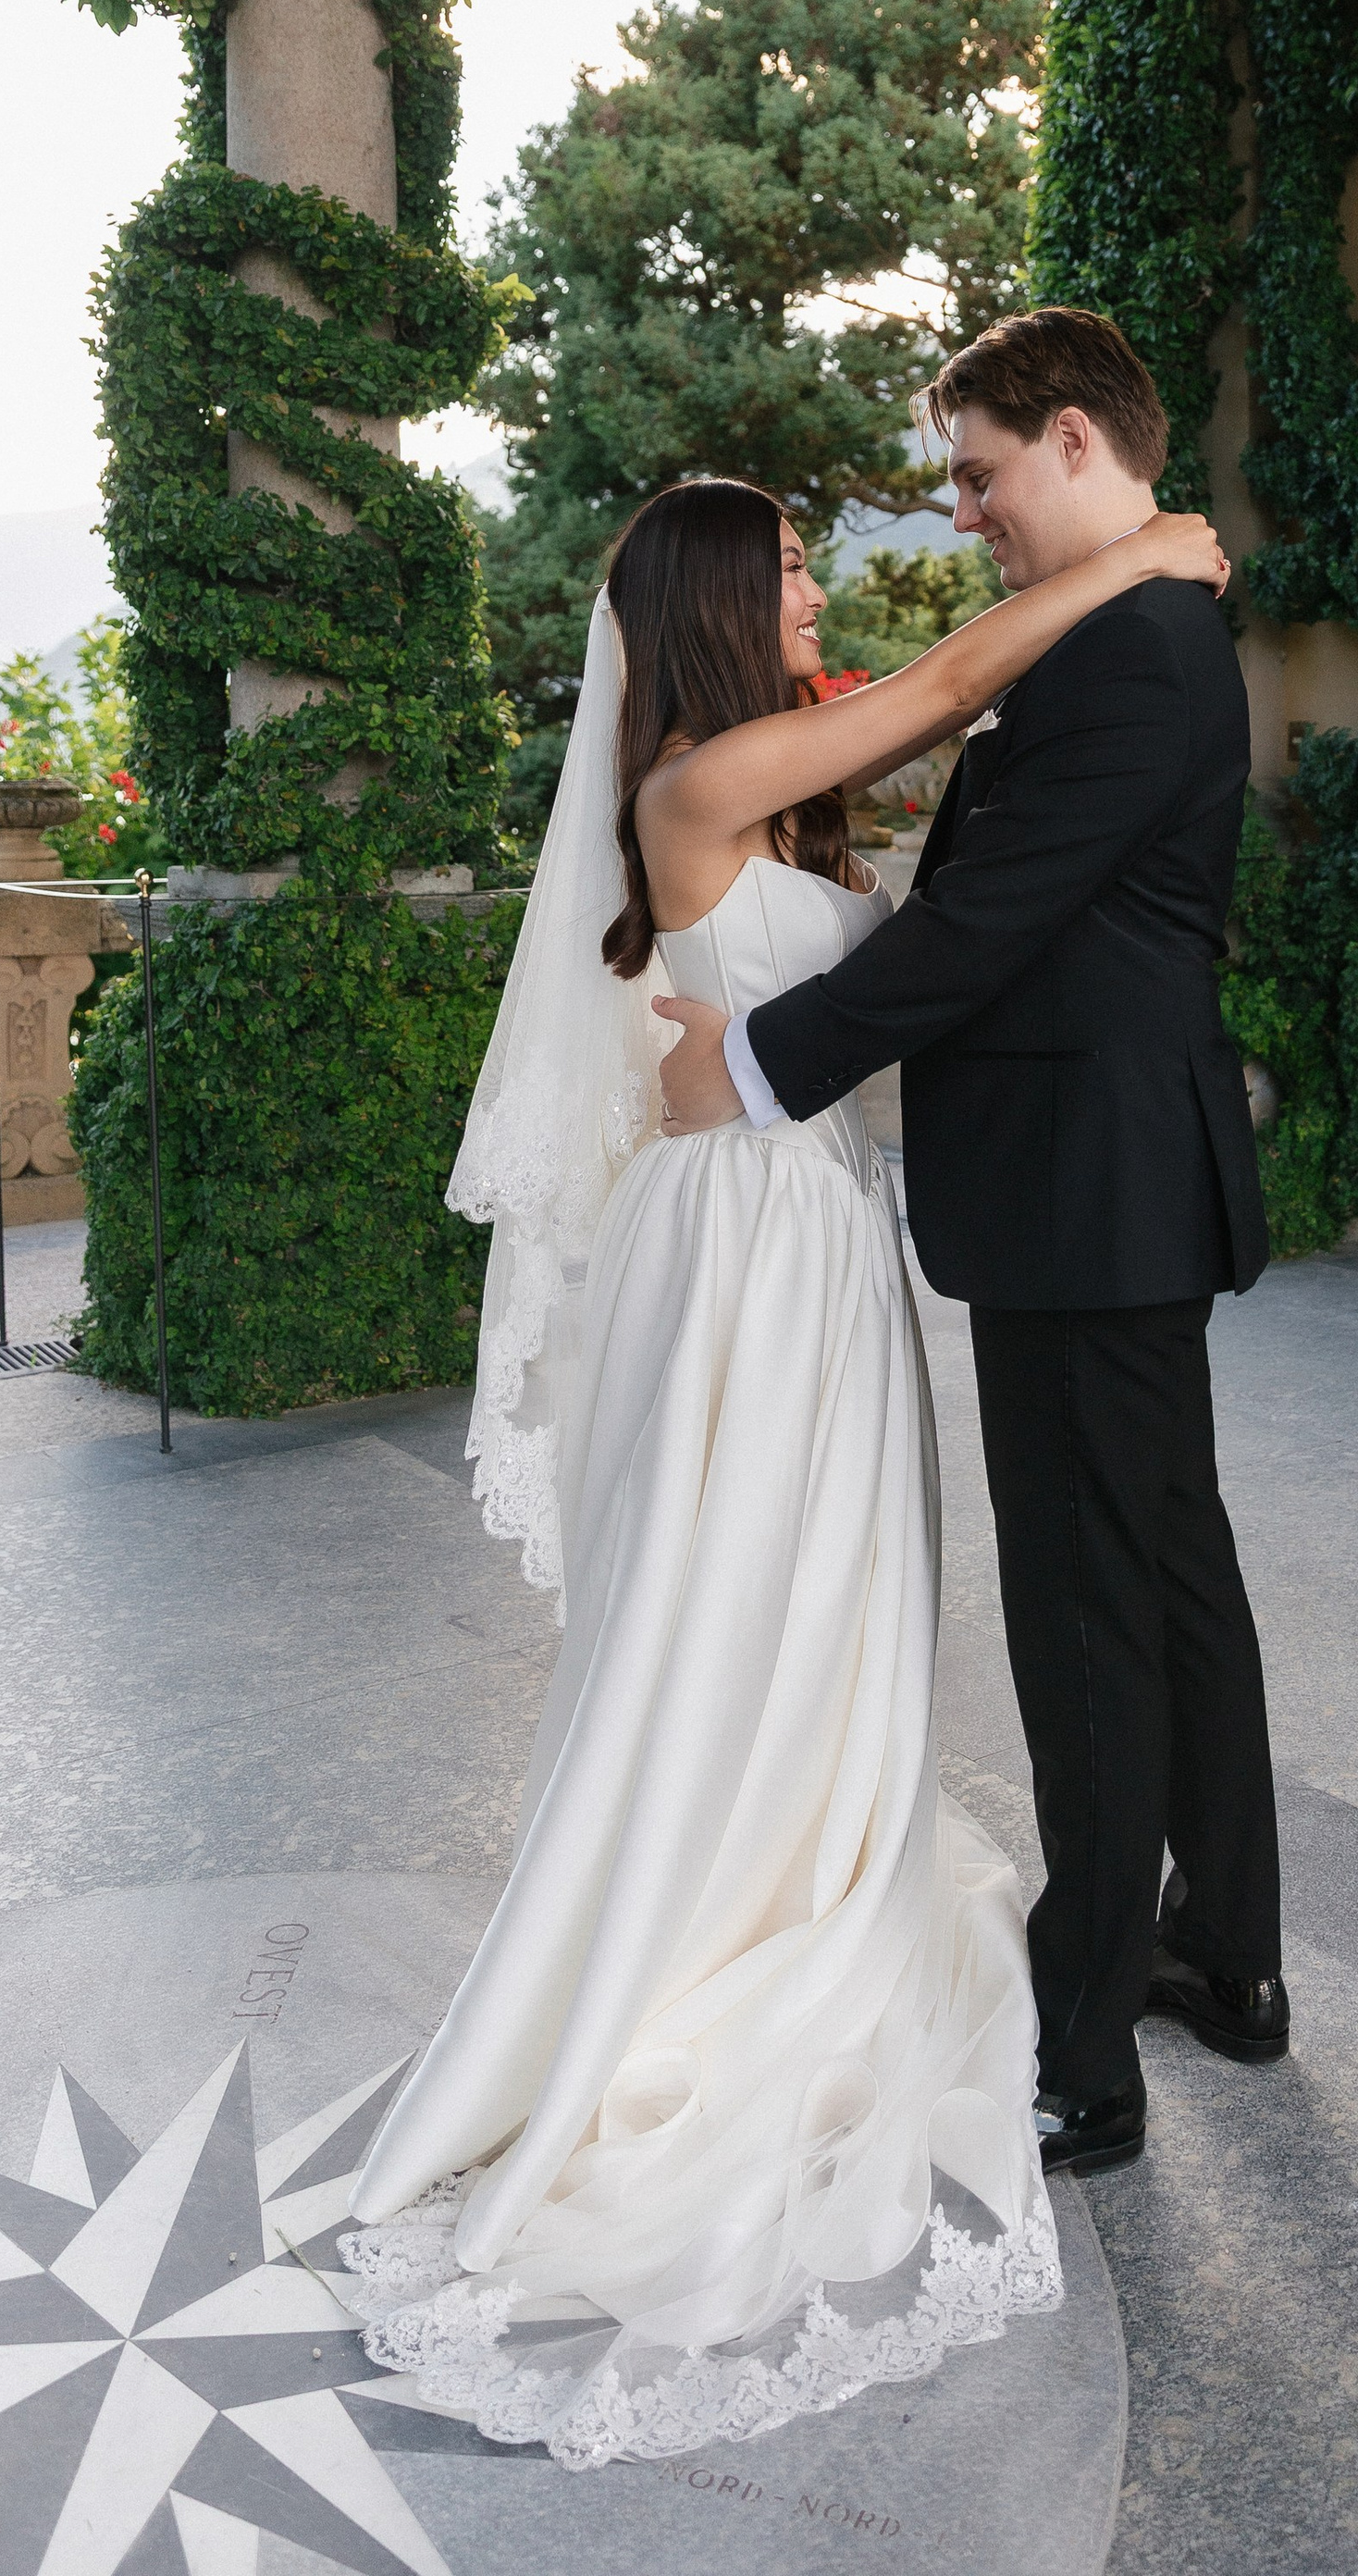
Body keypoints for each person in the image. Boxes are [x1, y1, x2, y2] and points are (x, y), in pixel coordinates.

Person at [336, 469, 1231, 2470]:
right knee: (724, 1604)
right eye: (798, 564)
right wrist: (1129, 562)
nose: (827, 585)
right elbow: (932, 691)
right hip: (735, 1253)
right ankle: (698, 1934)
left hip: (805, 1236)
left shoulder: (758, 788)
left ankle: (778, 1876)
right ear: (727, 602)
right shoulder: (694, 777)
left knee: (821, 1608)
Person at [656, 307, 1288, 2185]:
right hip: (1097, 1184)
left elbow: (988, 919)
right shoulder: (1124, 636)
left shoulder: (1139, 653)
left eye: (980, 473)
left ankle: (1080, 2055)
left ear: (1076, 439)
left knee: (1090, 1613)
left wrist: (761, 1064)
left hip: (1086, 1201)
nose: (964, 512)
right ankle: (1225, 1957)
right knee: (1166, 1574)